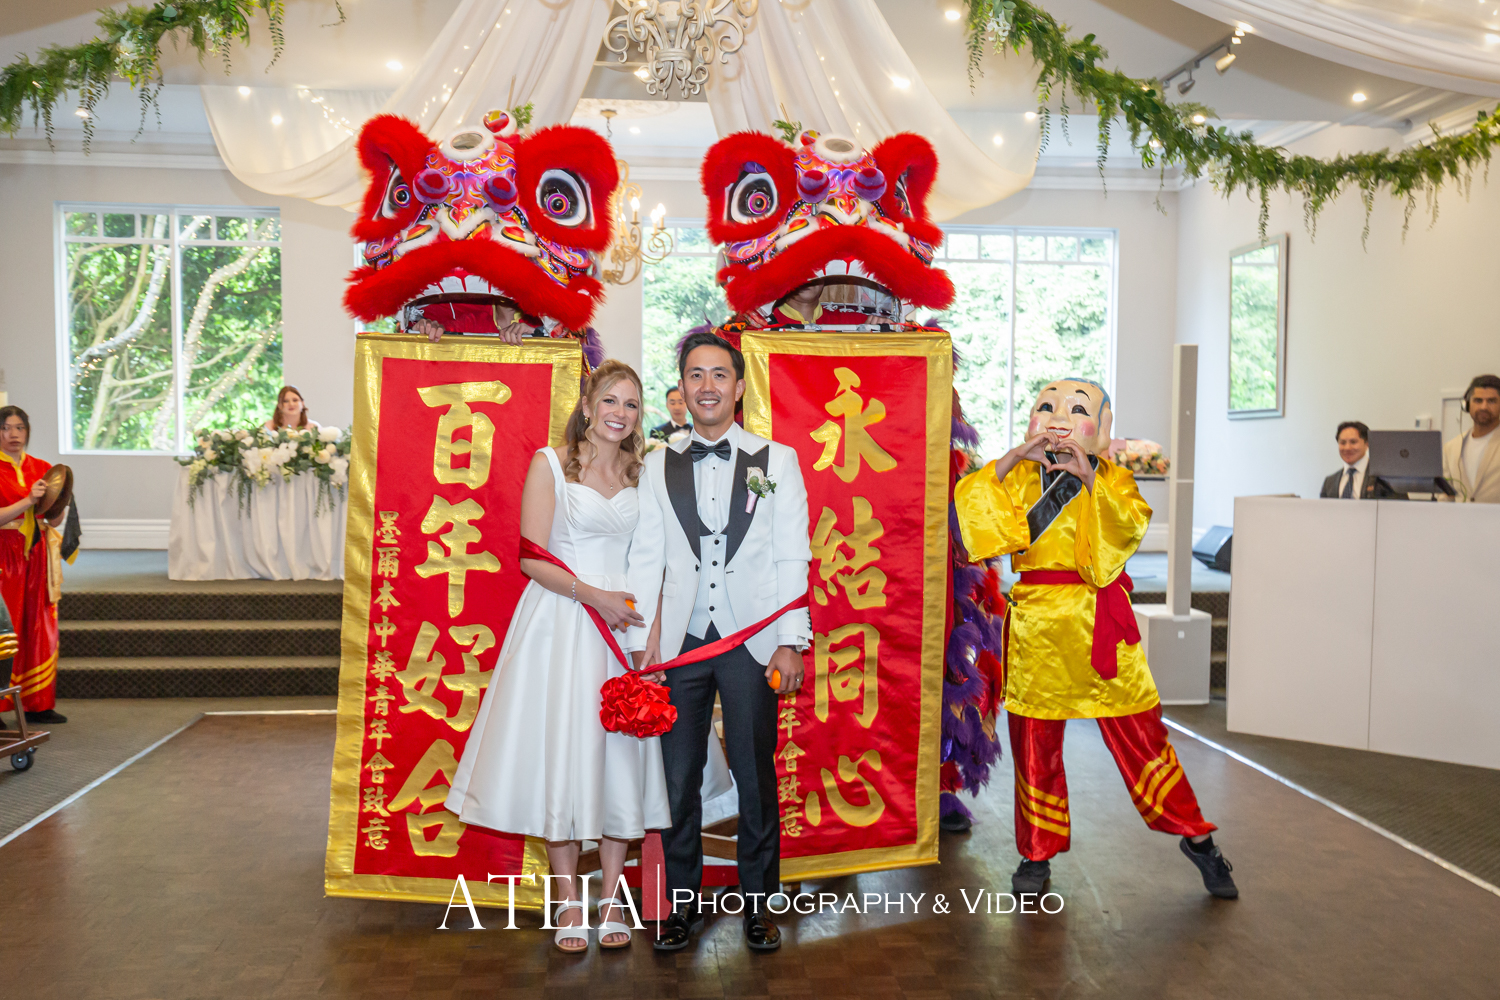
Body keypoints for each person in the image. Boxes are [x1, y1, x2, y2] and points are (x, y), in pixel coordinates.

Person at [953, 378, 1238, 900]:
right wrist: (1014, 456)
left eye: (1077, 409)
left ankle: (1198, 837)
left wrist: (1089, 480)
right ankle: (1036, 853)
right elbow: (976, 513)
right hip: (1038, 627)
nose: (1059, 417)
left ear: (1102, 428)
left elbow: (1124, 531)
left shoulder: (1115, 480)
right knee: (1035, 745)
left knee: (1143, 738)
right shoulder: (1018, 477)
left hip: (1099, 623)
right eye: (1046, 406)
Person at [444, 360, 671, 952]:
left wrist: (651, 631)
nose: (620, 413)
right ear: (588, 405)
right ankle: (569, 898)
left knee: (620, 760)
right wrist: (595, 596)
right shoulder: (550, 463)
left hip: (626, 630)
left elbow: (657, 558)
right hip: (565, 621)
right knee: (562, 755)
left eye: (631, 404)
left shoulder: (645, 471)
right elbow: (530, 557)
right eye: (611, 400)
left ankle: (612, 898)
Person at [626, 332, 812, 953]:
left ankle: (760, 904)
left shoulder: (776, 461)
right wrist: (642, 645)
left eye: (719, 375)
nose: (707, 386)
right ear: (682, 388)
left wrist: (791, 640)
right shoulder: (657, 464)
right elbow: (646, 558)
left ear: (738, 387)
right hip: (681, 643)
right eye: (695, 375)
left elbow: (791, 555)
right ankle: (682, 904)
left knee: (755, 773)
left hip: (753, 639)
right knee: (677, 777)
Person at [0, 406, 65, 724]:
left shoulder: (43, 468)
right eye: (5, 428)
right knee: (5, 628)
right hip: (4, 553)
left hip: (37, 554)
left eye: (19, 428)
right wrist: (28, 499)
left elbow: (54, 519)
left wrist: (61, 500)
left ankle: (38, 702)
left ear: (27, 431)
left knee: (40, 625)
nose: (13, 434)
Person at [1442, 375, 1500, 503]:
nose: (1484, 407)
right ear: (1467, 405)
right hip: (1460, 516)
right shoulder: (1451, 447)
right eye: (1478, 400)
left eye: (1491, 401)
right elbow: (1446, 495)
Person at [411, 300, 534, 344]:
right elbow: (443, 331)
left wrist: (537, 333)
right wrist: (428, 329)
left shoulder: (539, 321)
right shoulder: (474, 320)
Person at [1320, 421, 1373, 499]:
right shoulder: (1329, 482)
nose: (1347, 448)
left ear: (1367, 443)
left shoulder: (1381, 478)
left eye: (1353, 442)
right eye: (1343, 443)